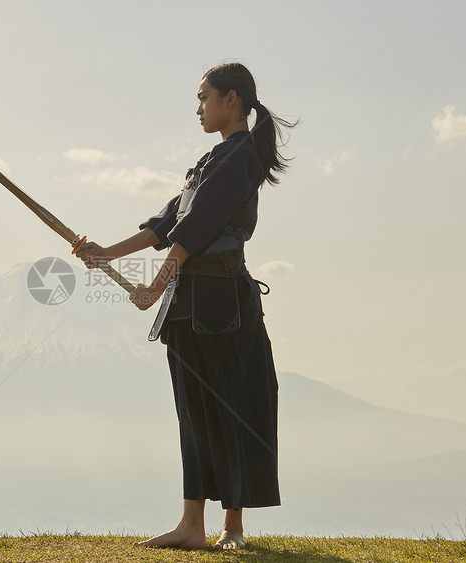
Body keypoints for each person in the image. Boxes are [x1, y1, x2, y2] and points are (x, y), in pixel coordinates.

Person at [75, 62, 294, 550]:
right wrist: (104, 253)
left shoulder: (239, 159)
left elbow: (196, 230)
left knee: (230, 409)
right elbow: (167, 223)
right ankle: (191, 525)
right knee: (193, 413)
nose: (198, 108)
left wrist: (153, 286)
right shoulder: (210, 161)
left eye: (204, 97)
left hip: (225, 305)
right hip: (188, 306)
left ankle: (232, 528)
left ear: (230, 99)